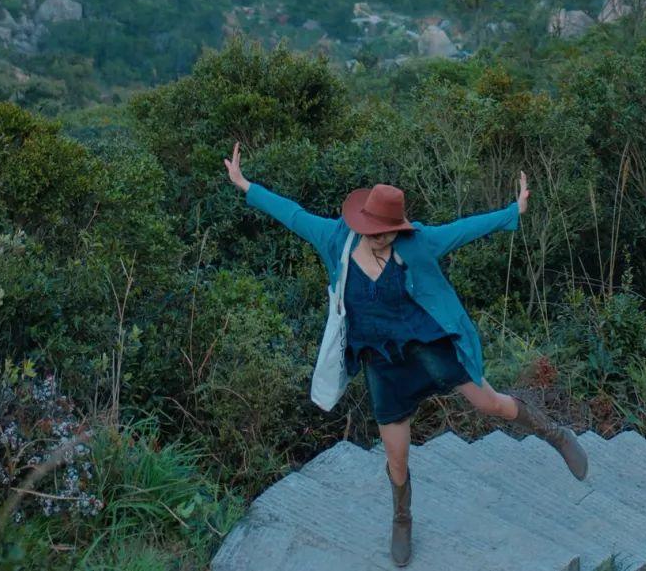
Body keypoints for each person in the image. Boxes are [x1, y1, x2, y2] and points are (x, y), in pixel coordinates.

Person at [223, 143, 587, 567]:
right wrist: (245, 184)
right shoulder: (335, 240)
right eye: (374, 232)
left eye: (388, 233)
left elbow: (464, 229)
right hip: (383, 364)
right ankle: (402, 518)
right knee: (396, 455)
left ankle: (556, 435)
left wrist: (513, 211)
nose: (380, 239)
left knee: (489, 403)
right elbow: (293, 214)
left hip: (429, 348)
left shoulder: (417, 244)